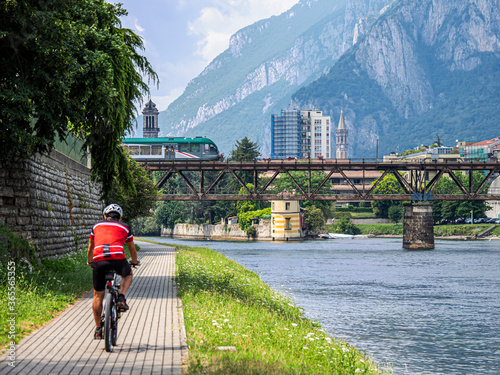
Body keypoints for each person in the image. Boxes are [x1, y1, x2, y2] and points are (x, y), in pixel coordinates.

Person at [87, 203, 139, 339]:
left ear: (105, 216)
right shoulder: (125, 227)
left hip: (99, 259)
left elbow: (90, 248)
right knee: (127, 275)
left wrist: (91, 262)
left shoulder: (96, 226)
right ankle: (121, 297)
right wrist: (134, 262)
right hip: (117, 258)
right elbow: (132, 249)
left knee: (98, 295)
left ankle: (98, 329)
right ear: (119, 218)